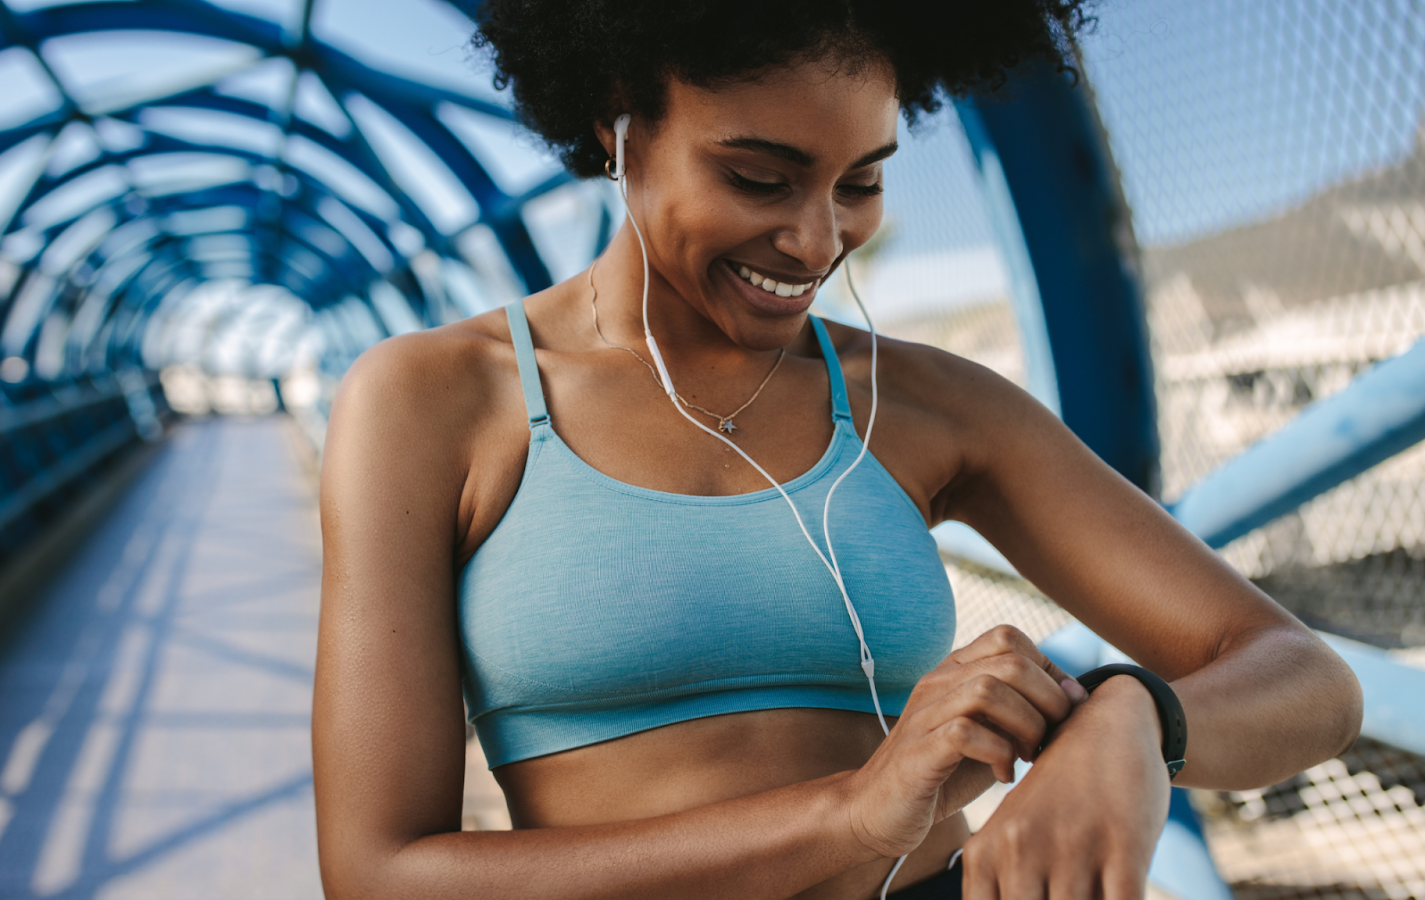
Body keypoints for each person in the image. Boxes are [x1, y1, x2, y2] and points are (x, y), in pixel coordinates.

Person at [311, 2, 1363, 898]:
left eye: (858, 184)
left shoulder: (923, 402)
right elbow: (379, 873)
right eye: (760, 179)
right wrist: (853, 814)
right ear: (617, 121)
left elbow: (1306, 680)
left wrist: (1135, 716)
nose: (816, 242)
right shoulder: (436, 401)